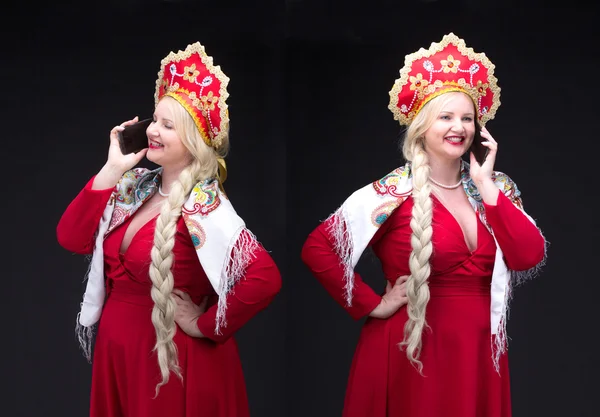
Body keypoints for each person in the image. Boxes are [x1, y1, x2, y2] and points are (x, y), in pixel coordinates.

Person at [300, 33, 547, 417]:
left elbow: (529, 255)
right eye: (445, 117)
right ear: (422, 125)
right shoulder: (391, 192)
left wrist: (484, 183)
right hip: (410, 350)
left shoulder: (495, 189)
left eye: (467, 118)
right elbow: (317, 248)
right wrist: (372, 304)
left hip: (478, 354)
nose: (458, 127)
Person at [57, 41, 282, 417]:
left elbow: (265, 279)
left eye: (168, 125)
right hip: (118, 351)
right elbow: (70, 237)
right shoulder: (132, 187)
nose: (152, 131)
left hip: (172, 359)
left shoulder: (206, 206)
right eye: (154, 120)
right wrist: (113, 170)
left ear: (194, 140)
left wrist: (205, 325)